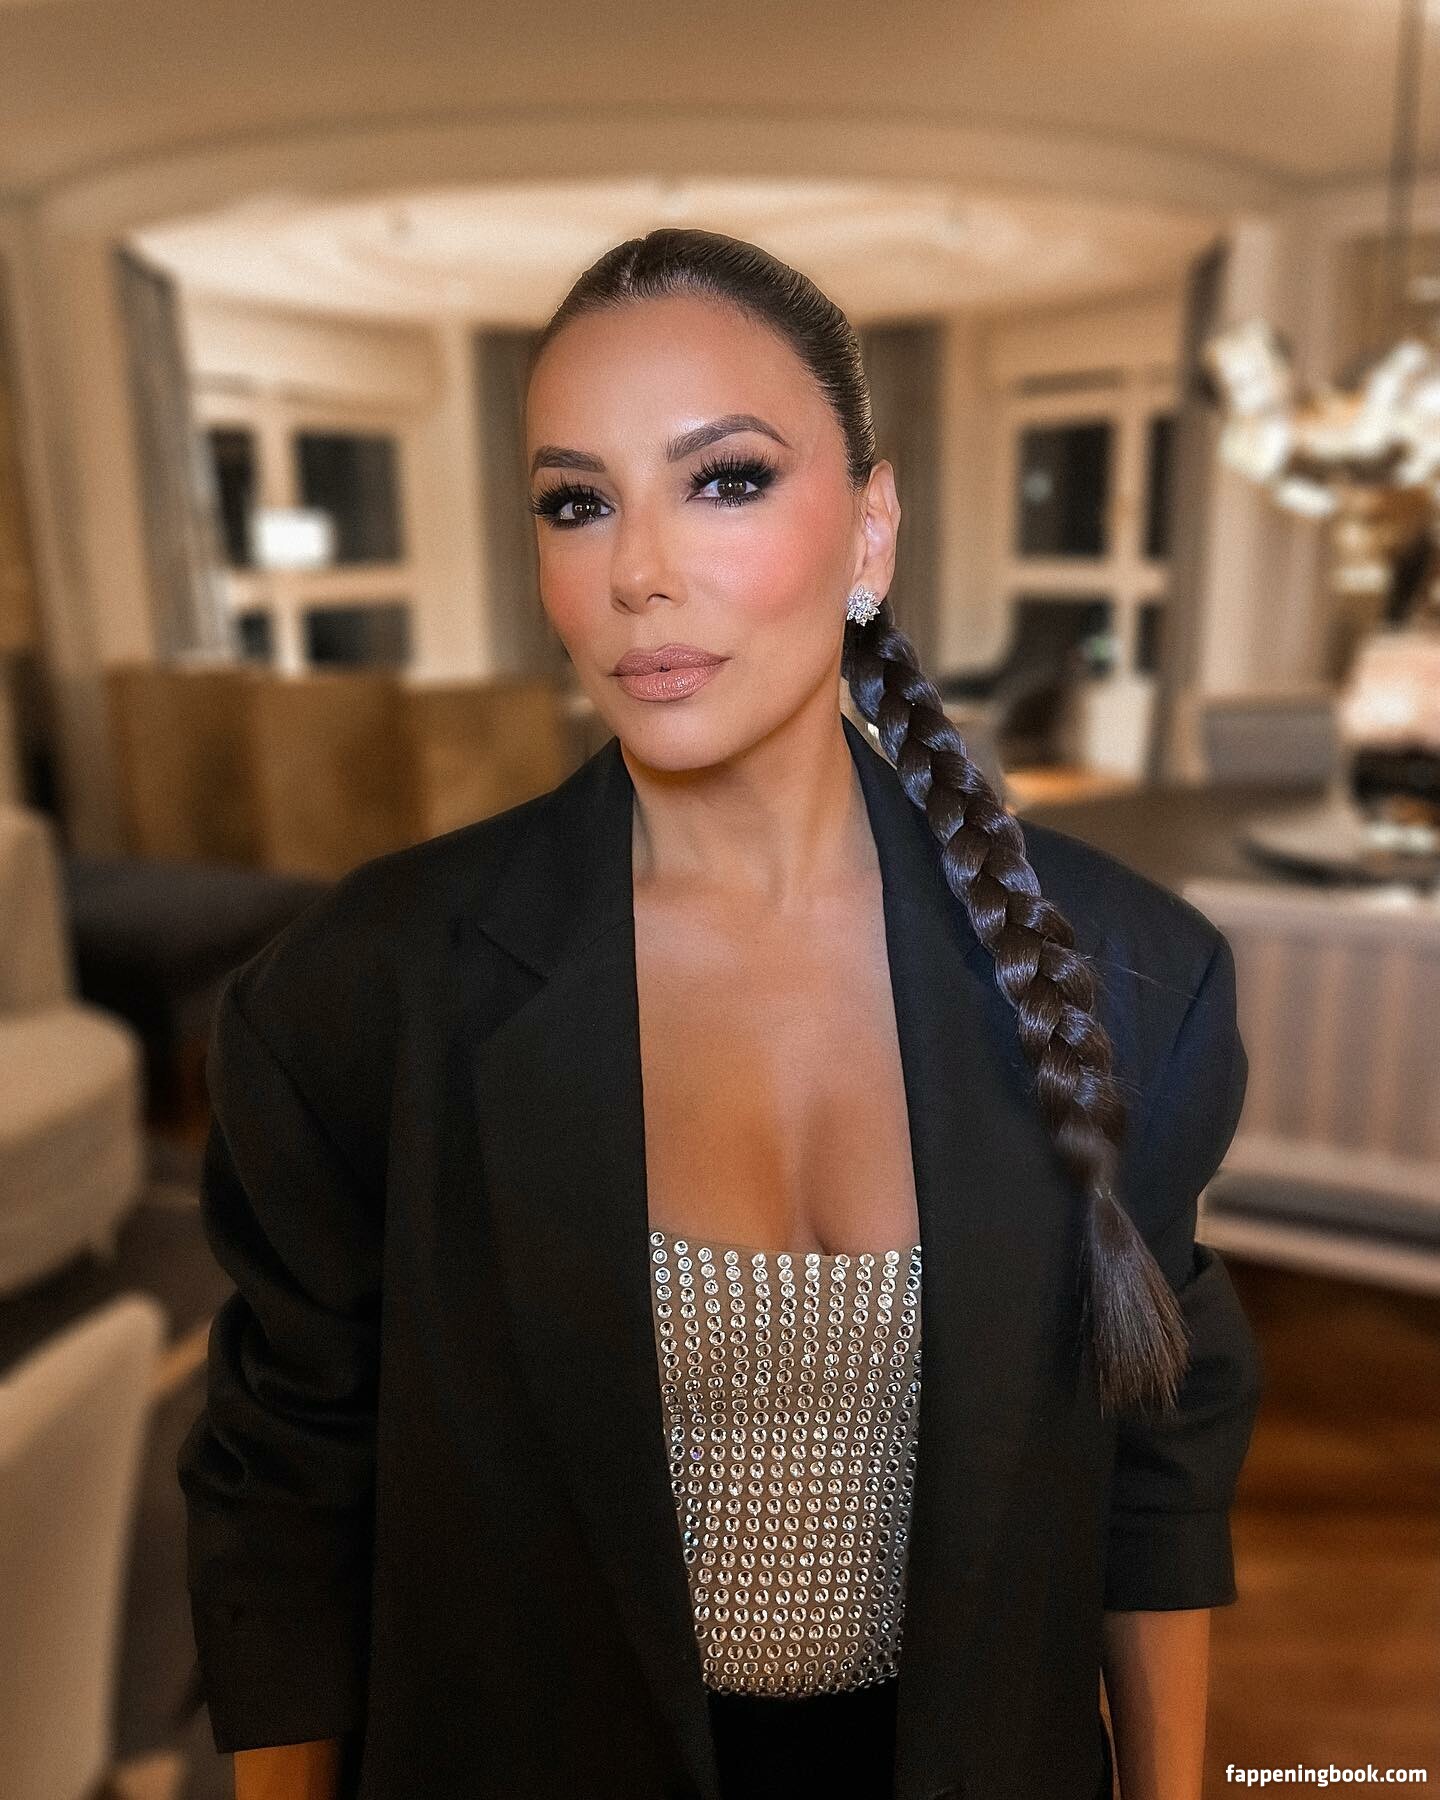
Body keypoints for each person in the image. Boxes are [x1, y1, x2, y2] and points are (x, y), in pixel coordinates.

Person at [178, 228, 1263, 1800]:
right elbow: (286, 1500)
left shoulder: (1131, 971)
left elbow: (1156, 1469)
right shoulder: (363, 990)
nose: (637, 572)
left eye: (725, 480)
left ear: (871, 528)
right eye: (578, 502)